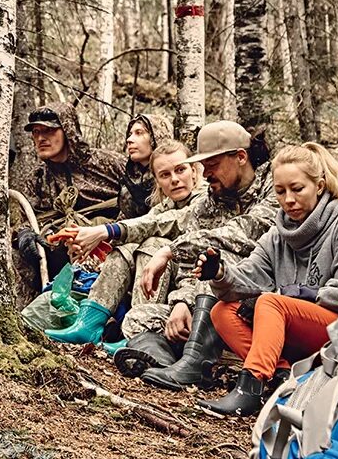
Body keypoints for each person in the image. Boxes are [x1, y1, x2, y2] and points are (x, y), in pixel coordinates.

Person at [193, 142, 338, 417]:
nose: (288, 200)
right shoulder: (278, 234)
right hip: (303, 331)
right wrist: (221, 274)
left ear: (319, 186)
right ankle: (283, 377)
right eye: (280, 191)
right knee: (222, 311)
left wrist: (293, 293)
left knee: (271, 302)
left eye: (297, 189)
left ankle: (250, 387)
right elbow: (250, 276)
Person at [112, 120, 278, 390]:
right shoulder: (211, 199)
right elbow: (191, 265)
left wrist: (170, 249)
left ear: (240, 157)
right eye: (204, 166)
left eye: (212, 165)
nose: (207, 174)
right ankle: (172, 361)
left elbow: (244, 233)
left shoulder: (275, 187)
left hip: (257, 302)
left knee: (220, 259)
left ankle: (193, 361)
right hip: (208, 306)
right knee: (137, 318)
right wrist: (183, 303)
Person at [42, 139, 200, 345]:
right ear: (158, 181)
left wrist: (106, 231)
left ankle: (136, 335)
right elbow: (148, 221)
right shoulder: (166, 205)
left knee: (154, 243)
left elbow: (162, 223)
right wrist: (98, 241)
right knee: (127, 248)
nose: (175, 179)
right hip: (168, 290)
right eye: (165, 175)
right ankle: (88, 324)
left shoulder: (204, 200)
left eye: (181, 170)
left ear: (194, 172)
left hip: (193, 290)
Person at [14, 102, 126, 297]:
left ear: (68, 130)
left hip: (108, 244)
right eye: (36, 132)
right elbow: (26, 220)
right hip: (58, 253)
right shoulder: (37, 179)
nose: (40, 138)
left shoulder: (109, 164)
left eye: (48, 131)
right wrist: (24, 235)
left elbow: (141, 199)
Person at [117, 112, 174, 220]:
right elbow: (123, 218)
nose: (129, 139)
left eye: (139, 133)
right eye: (130, 134)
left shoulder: (174, 177)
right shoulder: (131, 178)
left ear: (156, 137)